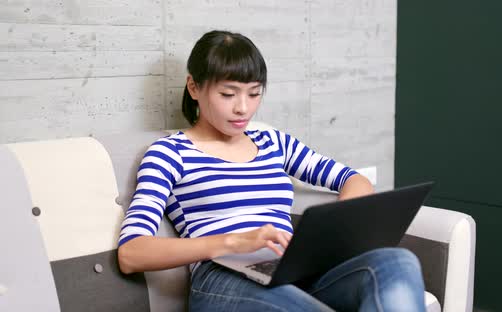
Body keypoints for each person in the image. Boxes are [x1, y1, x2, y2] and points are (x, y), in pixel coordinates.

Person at [117, 30, 426, 312]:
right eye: (228, 94)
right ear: (194, 87)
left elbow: (353, 179)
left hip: (293, 269)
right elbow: (131, 253)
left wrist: (334, 237)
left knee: (396, 262)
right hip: (222, 279)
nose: (243, 108)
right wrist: (233, 242)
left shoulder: (272, 141)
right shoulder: (169, 154)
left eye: (254, 93)